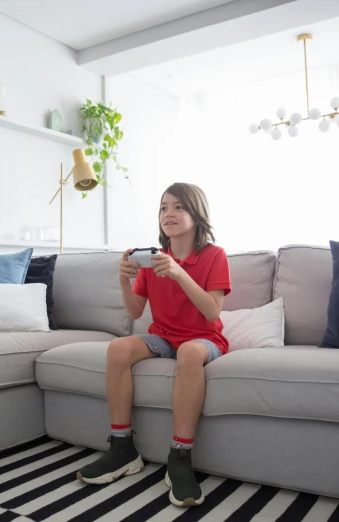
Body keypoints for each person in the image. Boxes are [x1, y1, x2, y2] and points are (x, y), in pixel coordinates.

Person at [76, 182, 231, 507]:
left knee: (189, 352)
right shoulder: (152, 260)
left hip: (205, 339)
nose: (169, 214)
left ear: (196, 213)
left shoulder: (214, 256)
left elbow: (212, 312)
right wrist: (124, 281)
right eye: (163, 207)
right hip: (163, 337)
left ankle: (180, 456)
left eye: (178, 207)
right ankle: (122, 448)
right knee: (118, 348)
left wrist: (178, 273)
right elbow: (135, 312)